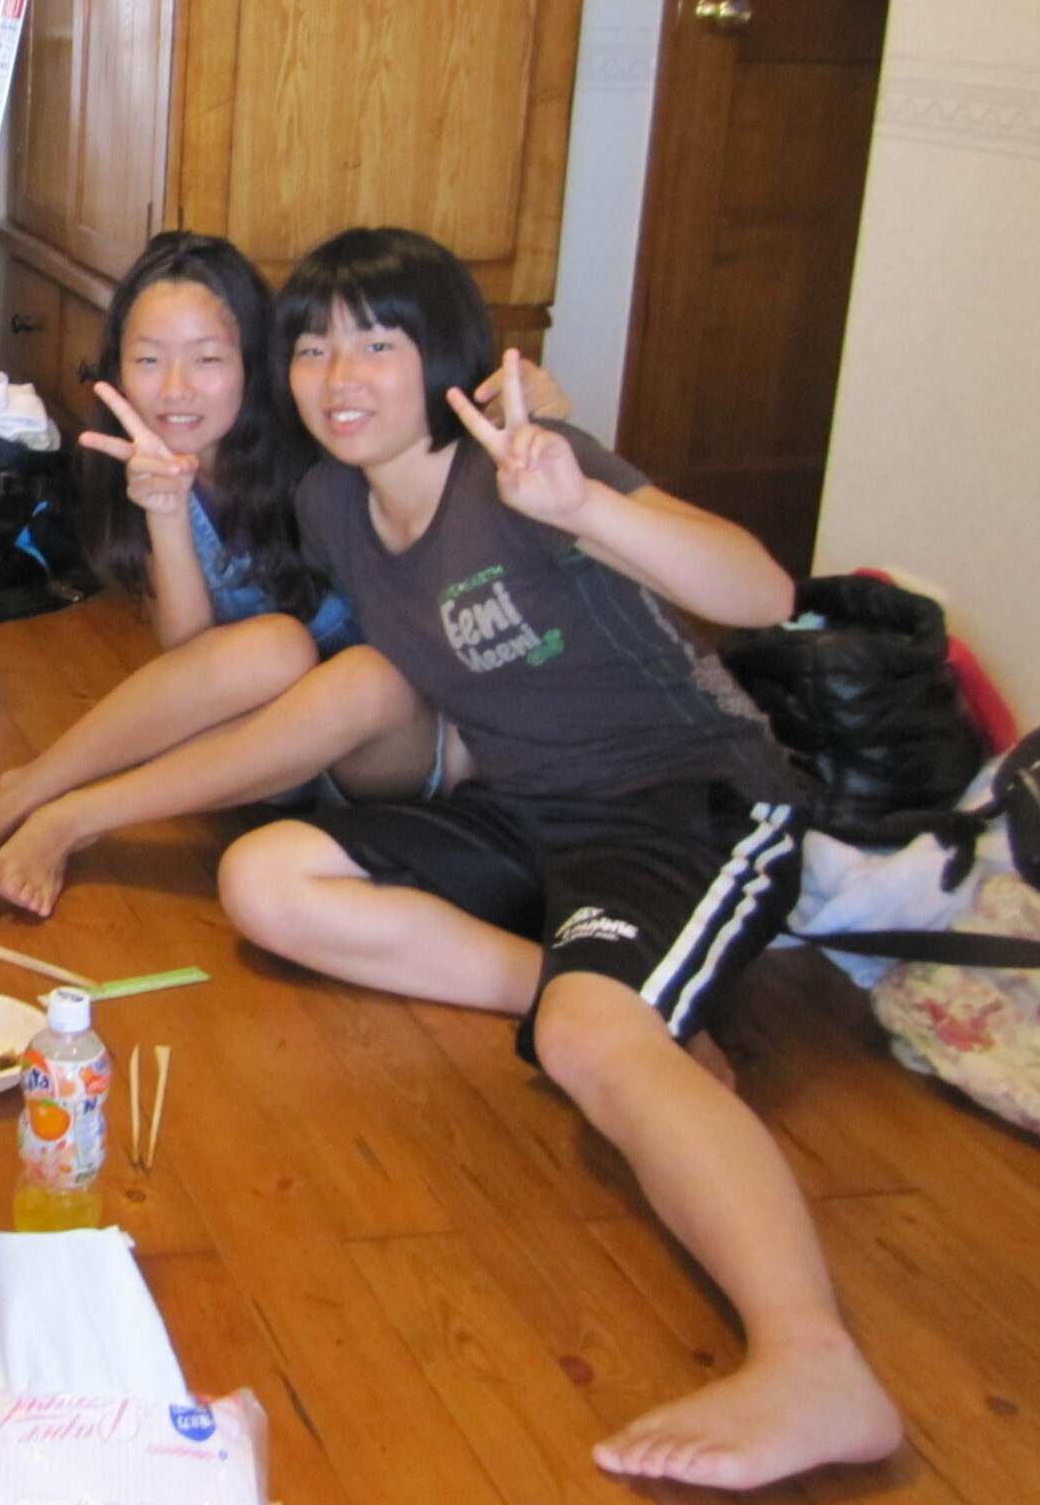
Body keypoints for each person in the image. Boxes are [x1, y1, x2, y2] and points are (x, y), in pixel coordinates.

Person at [219, 226, 900, 1490]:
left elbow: (759, 593)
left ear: (447, 358)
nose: (338, 375)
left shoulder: (528, 466)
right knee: (264, 880)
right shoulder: (330, 502)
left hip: (682, 802)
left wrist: (583, 503)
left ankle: (814, 1361)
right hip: (521, 803)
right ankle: (603, 993)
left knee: (594, 1044)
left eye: (378, 343)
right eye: (310, 348)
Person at [0, 232, 561, 914]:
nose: (176, 389)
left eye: (208, 359)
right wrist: (165, 511)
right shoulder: (145, 460)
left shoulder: (328, 445)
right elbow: (193, 664)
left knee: (365, 673)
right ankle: (25, 790)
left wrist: (523, 413)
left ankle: (75, 815)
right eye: (149, 359)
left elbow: (436, 444)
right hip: (264, 755)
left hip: (395, 757)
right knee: (273, 645)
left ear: (257, 359)